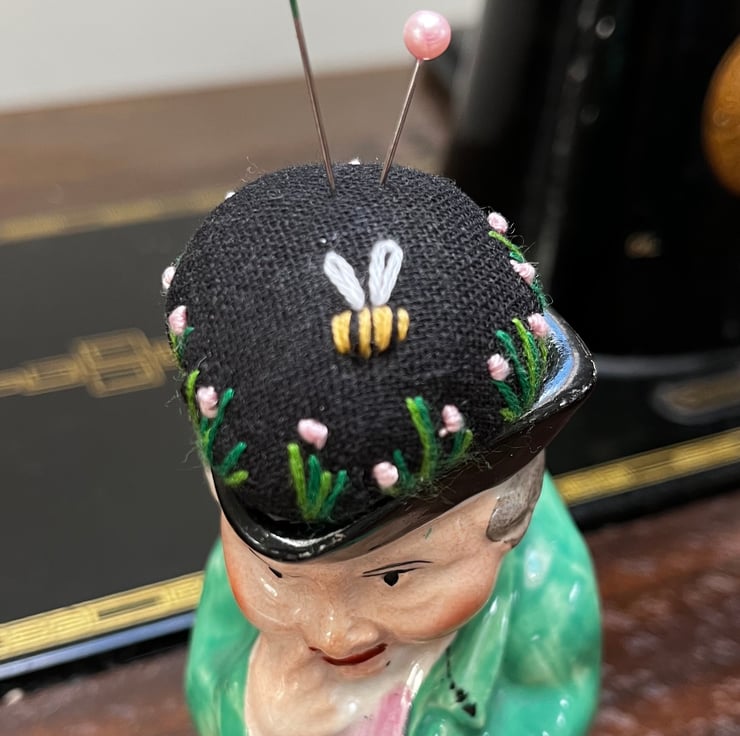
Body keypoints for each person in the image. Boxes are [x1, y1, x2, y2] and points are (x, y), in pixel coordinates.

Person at [162, 162, 602, 735]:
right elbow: (209, 672)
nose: (331, 634)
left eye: (394, 578)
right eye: (279, 578)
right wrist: (257, 711)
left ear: (510, 521)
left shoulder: (546, 583)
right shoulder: (239, 571)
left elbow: (551, 701)